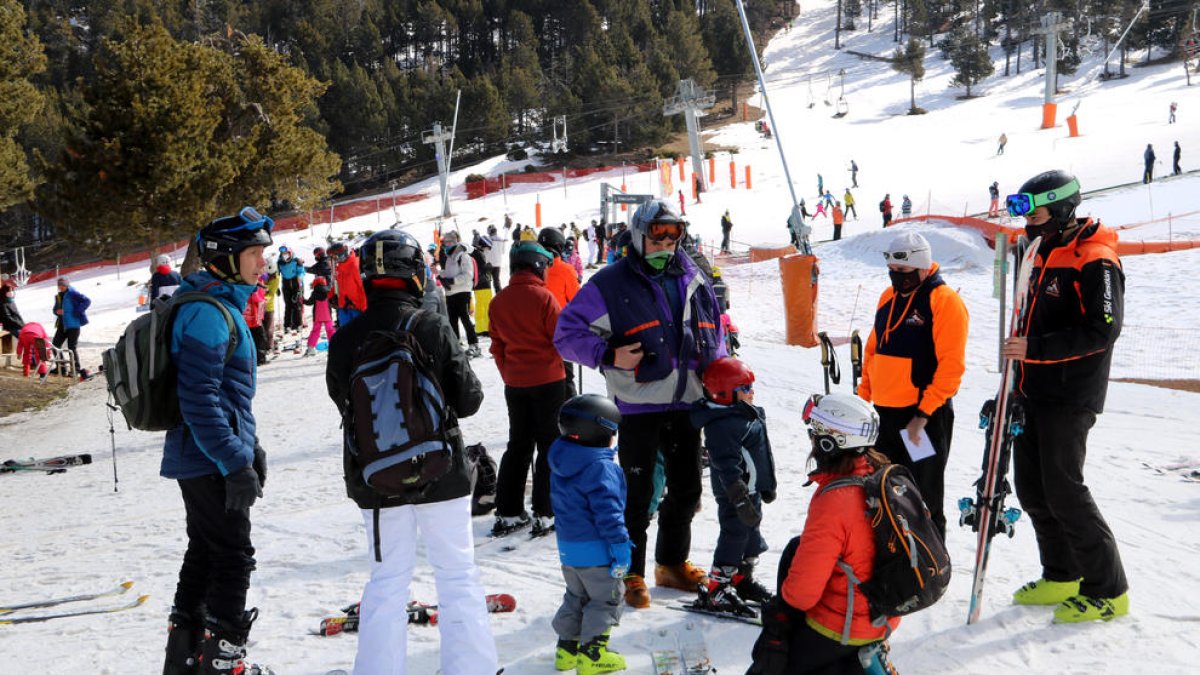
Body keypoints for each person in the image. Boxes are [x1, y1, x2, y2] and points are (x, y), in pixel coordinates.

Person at [325, 230, 498, 674]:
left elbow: (341, 399)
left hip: (376, 477)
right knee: (457, 575)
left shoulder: (347, 337)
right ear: (415, 274)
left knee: (386, 581)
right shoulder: (430, 323)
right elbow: (469, 400)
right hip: (442, 471)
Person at [555, 199, 725, 609]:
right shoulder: (610, 282)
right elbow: (566, 333)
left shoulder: (693, 276)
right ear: (639, 234)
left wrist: (723, 374)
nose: (666, 242)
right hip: (638, 404)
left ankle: (670, 563)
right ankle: (630, 571)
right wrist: (608, 355)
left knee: (687, 489)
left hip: (687, 400)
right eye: (658, 234)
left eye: (674, 234)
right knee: (635, 493)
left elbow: (715, 331)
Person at [1001, 170, 1129, 622]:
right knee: (1032, 489)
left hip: (1071, 393)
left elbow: (1103, 330)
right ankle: (1062, 574)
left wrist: (1034, 351)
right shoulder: (1040, 252)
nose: (1027, 224)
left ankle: (1108, 589)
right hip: (1033, 388)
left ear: (1060, 210)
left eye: (1034, 214)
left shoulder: (1096, 258)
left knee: (1064, 489)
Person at [161, 208, 271, 675]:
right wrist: (233, 461)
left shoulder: (217, 305)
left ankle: (185, 662)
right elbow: (199, 400)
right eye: (253, 253)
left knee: (205, 552)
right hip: (208, 457)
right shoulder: (208, 313)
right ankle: (222, 665)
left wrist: (252, 447)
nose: (261, 262)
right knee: (233, 555)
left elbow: (226, 397)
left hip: (204, 454)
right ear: (226, 258)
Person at [771, 394, 900, 674]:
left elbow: (801, 595)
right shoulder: (882, 476)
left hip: (842, 627)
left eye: (814, 434)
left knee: (773, 661)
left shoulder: (836, 500)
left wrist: (779, 616)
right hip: (884, 616)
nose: (812, 442)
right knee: (797, 547)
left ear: (830, 442)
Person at [857, 231, 968, 537]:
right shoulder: (887, 298)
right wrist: (863, 397)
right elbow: (873, 350)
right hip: (884, 415)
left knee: (923, 494)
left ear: (922, 267)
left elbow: (951, 366)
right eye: (892, 271)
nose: (896, 278)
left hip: (919, 421)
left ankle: (932, 570)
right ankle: (894, 562)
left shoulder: (944, 301)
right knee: (882, 489)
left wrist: (923, 415)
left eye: (903, 272)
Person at [488, 241, 566, 539]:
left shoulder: (499, 300)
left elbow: (496, 346)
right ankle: (545, 512)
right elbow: (560, 338)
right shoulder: (544, 297)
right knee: (549, 445)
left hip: (516, 383)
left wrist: (509, 372)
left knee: (518, 445)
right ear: (537, 266)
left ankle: (508, 510)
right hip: (548, 380)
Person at [549, 393, 630, 675]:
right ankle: (593, 655)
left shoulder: (562, 460)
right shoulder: (601, 467)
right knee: (606, 598)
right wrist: (620, 546)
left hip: (569, 550)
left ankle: (567, 650)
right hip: (596, 550)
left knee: (576, 596)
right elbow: (608, 513)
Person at [690, 357, 776, 613]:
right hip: (734, 493)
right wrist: (739, 498)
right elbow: (726, 465)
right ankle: (718, 586)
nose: (752, 393)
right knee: (735, 534)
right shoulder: (722, 425)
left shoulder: (743, 413)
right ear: (726, 393)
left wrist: (766, 484)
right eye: (746, 389)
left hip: (750, 490)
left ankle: (740, 579)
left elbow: (761, 453)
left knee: (751, 535)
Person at [539, 227, 582, 396]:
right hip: (561, 331)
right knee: (566, 377)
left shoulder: (534, 269)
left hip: (537, 332)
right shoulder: (565, 270)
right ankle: (570, 413)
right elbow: (577, 301)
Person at [438, 231, 481, 358]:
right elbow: (449, 272)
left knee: (465, 317)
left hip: (462, 291)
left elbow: (468, 275)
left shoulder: (464, 256)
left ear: (455, 241)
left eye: (448, 242)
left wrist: (452, 280)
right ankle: (456, 344)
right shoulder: (449, 257)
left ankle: (474, 344)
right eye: (445, 242)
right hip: (451, 292)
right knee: (452, 320)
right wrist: (441, 275)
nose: (446, 244)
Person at [51, 277, 90, 375]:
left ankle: (75, 370)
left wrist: (76, 311)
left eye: (63, 285)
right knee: (55, 346)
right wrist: (57, 311)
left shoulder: (73, 293)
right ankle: (61, 368)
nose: (61, 287)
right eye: (59, 285)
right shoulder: (58, 296)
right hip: (62, 325)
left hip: (73, 325)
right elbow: (55, 309)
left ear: (67, 285)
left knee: (71, 348)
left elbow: (87, 301)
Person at [330, 242, 367, 328]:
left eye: (335, 256)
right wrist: (331, 296)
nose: (335, 259)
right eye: (333, 257)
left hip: (357, 307)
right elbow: (337, 284)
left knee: (359, 333)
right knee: (345, 333)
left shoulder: (355, 265)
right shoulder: (339, 268)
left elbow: (363, 287)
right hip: (344, 306)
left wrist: (364, 308)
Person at [303, 276, 335, 357]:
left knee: (315, 331)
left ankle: (311, 348)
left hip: (317, 315)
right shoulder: (328, 291)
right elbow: (333, 301)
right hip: (327, 314)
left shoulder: (314, 292)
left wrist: (302, 300)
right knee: (330, 330)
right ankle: (333, 347)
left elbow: (309, 302)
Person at [277, 246, 306, 336]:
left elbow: (301, 272)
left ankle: (298, 325)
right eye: (283, 254)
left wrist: (299, 283)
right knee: (288, 305)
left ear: (290, 253)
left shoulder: (296, 261)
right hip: (286, 284)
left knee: (297, 304)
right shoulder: (280, 262)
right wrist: (276, 287)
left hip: (296, 283)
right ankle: (287, 326)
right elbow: (277, 274)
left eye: (286, 254)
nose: (285, 256)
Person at [469, 238, 494, 337]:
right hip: (483, 283)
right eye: (488, 248)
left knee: (480, 306)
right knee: (486, 306)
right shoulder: (479, 254)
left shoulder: (473, 253)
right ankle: (486, 328)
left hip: (477, 284)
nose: (488, 250)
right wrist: (488, 268)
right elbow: (482, 269)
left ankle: (480, 328)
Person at [244, 280, 268, 366]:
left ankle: (254, 359)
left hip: (248, 319)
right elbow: (257, 299)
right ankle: (260, 359)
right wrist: (264, 298)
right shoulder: (254, 290)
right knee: (260, 338)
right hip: (254, 319)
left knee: (252, 339)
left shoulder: (244, 287)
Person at [261, 257, 280, 354]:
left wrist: (263, 299)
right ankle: (262, 347)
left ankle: (269, 346)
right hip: (259, 308)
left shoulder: (276, 278)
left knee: (269, 329)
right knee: (261, 329)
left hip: (268, 307)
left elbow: (271, 293)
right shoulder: (261, 274)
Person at [485, 226, 506, 292]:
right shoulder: (501, 240)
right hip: (497, 263)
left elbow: (484, 251)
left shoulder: (487, 240)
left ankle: (488, 297)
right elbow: (503, 251)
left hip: (488, 264)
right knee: (496, 281)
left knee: (487, 281)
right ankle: (500, 296)